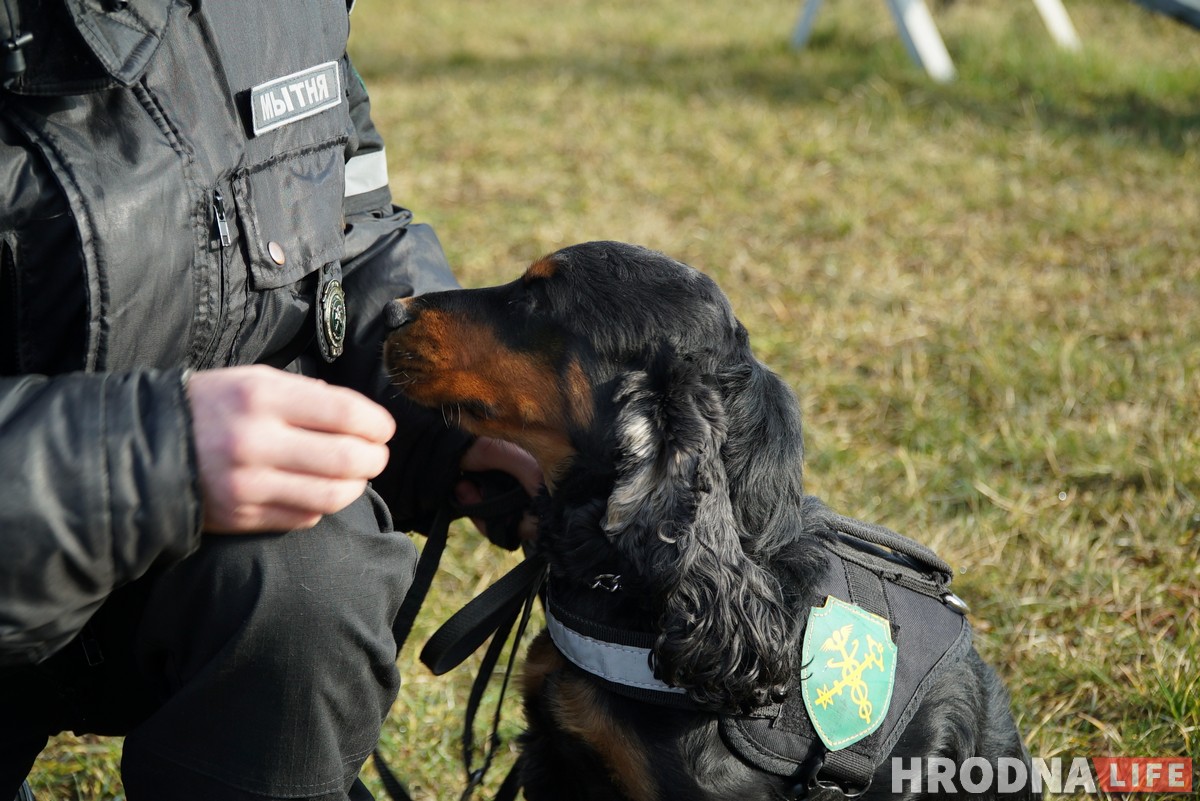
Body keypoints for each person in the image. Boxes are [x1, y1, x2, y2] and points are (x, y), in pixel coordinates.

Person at [0, 1, 540, 799]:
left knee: (315, 572)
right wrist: (146, 463)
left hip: (164, 571)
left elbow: (348, 231)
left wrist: (454, 414)